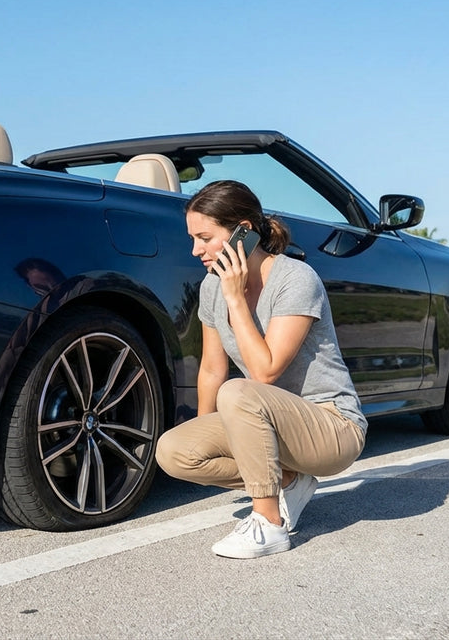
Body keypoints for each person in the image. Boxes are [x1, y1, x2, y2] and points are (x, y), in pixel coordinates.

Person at [155, 180, 366, 559]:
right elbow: (211, 369)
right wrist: (205, 431)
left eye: (205, 237)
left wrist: (236, 297)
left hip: (331, 425)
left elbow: (265, 370)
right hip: (266, 421)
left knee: (239, 391)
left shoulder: (296, 279)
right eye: (192, 238)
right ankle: (288, 480)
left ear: (243, 232)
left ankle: (269, 524)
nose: (195, 250)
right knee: (174, 450)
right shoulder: (211, 287)